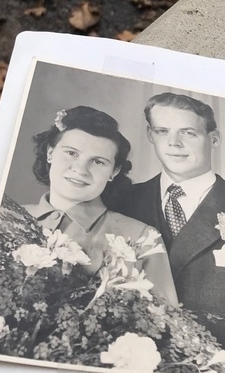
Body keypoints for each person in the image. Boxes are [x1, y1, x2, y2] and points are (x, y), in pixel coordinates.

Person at [120, 92, 225, 357]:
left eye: (188, 133)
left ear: (214, 138)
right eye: (162, 131)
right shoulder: (121, 204)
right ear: (150, 135)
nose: (173, 143)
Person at [24, 105, 178, 305]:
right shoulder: (7, 216)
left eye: (98, 162)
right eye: (71, 153)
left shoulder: (142, 238)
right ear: (50, 153)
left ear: (114, 171)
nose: (80, 169)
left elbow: (166, 318)